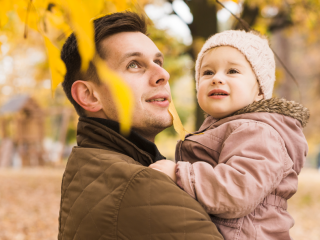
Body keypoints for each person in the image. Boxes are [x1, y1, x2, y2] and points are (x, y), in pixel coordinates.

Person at [58, 11, 223, 240]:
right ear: (88, 95)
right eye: (134, 64)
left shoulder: (90, 166)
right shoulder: (141, 185)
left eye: (158, 61)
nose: (163, 74)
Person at [149, 30, 310, 240]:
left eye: (232, 71)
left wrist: (179, 173)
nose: (217, 78)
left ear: (260, 91)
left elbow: (239, 190)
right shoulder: (224, 127)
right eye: (207, 73)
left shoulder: (258, 131)